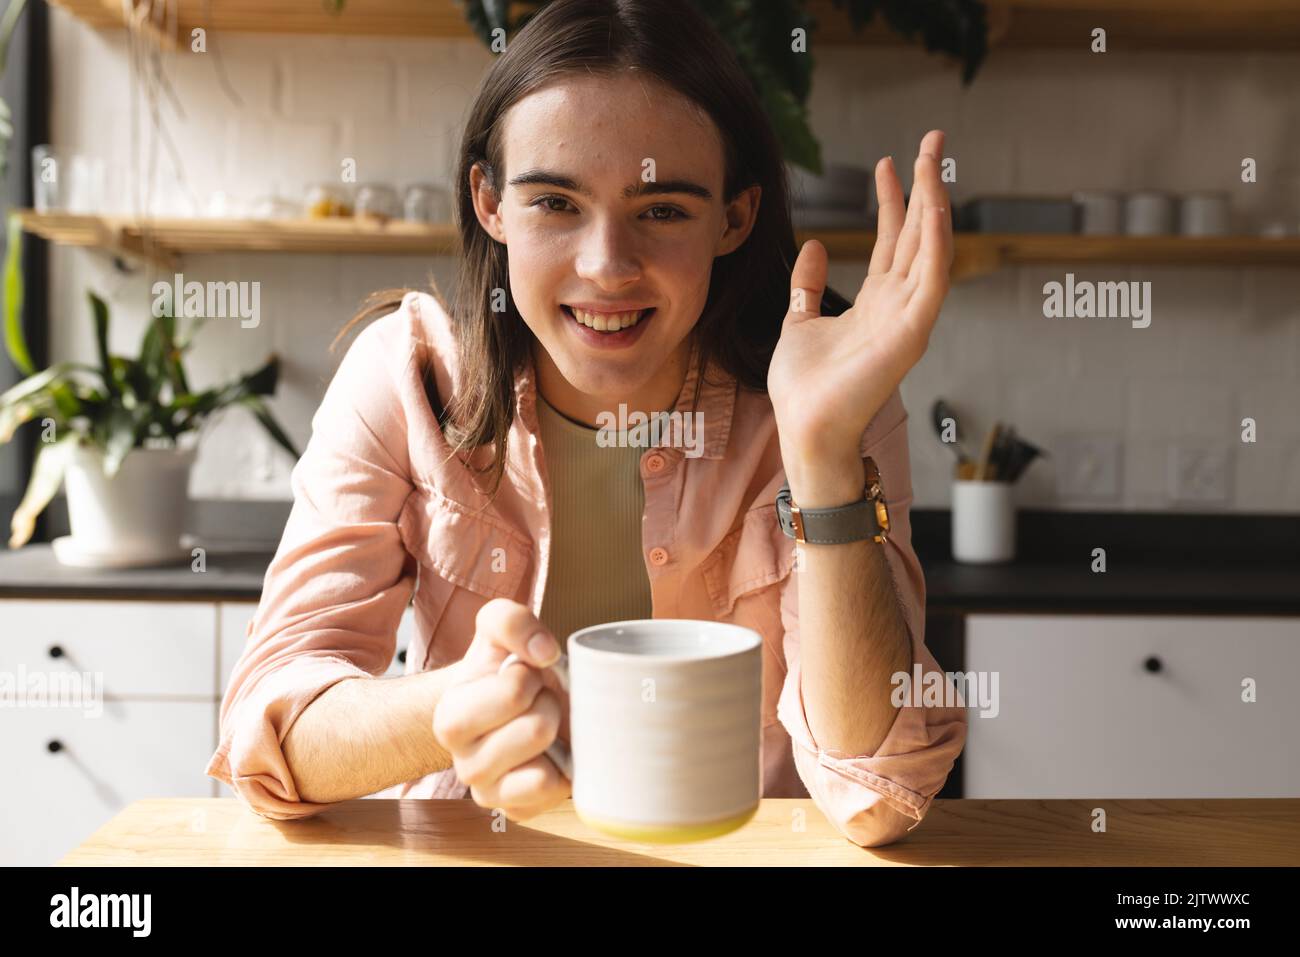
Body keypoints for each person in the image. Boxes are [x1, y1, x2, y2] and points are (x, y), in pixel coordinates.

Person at [206, 0, 966, 848]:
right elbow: (266, 740)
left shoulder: (821, 390)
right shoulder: (406, 376)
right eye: (556, 204)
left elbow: (880, 790)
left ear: (735, 218)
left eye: (664, 210)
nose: (607, 265)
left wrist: (823, 453)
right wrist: (451, 704)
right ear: (489, 204)